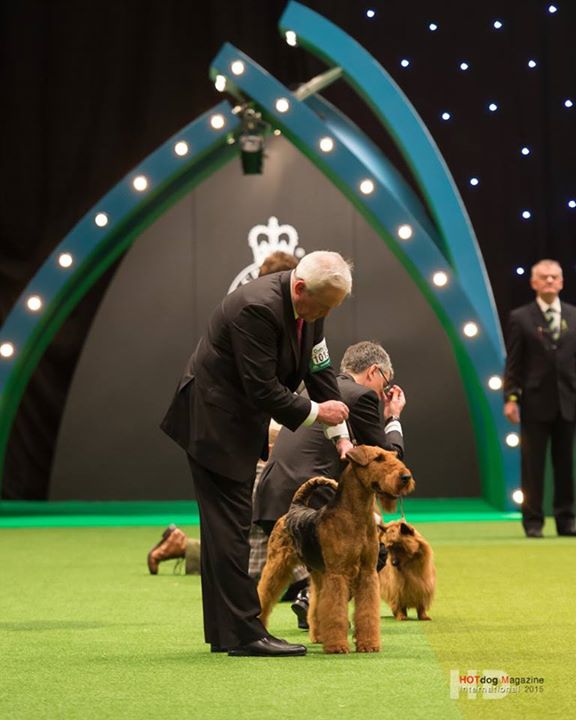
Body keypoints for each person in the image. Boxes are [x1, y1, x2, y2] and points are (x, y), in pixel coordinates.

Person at [160, 250, 353, 656]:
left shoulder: (313, 307)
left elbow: (319, 370)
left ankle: (226, 633)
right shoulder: (257, 309)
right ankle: (246, 634)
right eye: (323, 308)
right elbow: (262, 389)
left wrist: (340, 435)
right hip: (213, 422)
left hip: (236, 422)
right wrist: (318, 413)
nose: (325, 316)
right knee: (231, 529)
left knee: (223, 531)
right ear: (300, 288)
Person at [252, 340, 406, 626]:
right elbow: (388, 463)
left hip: (271, 496)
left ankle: (292, 612)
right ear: (373, 371)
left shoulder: (311, 389)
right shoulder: (362, 396)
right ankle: (314, 605)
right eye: (385, 383)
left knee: (312, 567)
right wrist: (393, 417)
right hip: (314, 500)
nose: (383, 392)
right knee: (372, 554)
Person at [503, 259, 576, 538]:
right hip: (534, 403)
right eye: (544, 277)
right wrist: (511, 398)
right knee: (532, 466)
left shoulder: (573, 315)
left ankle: (567, 520)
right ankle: (533, 522)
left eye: (554, 277)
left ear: (562, 282)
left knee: (566, 466)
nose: (549, 281)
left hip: (568, 401)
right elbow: (514, 363)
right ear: (534, 282)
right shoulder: (520, 318)